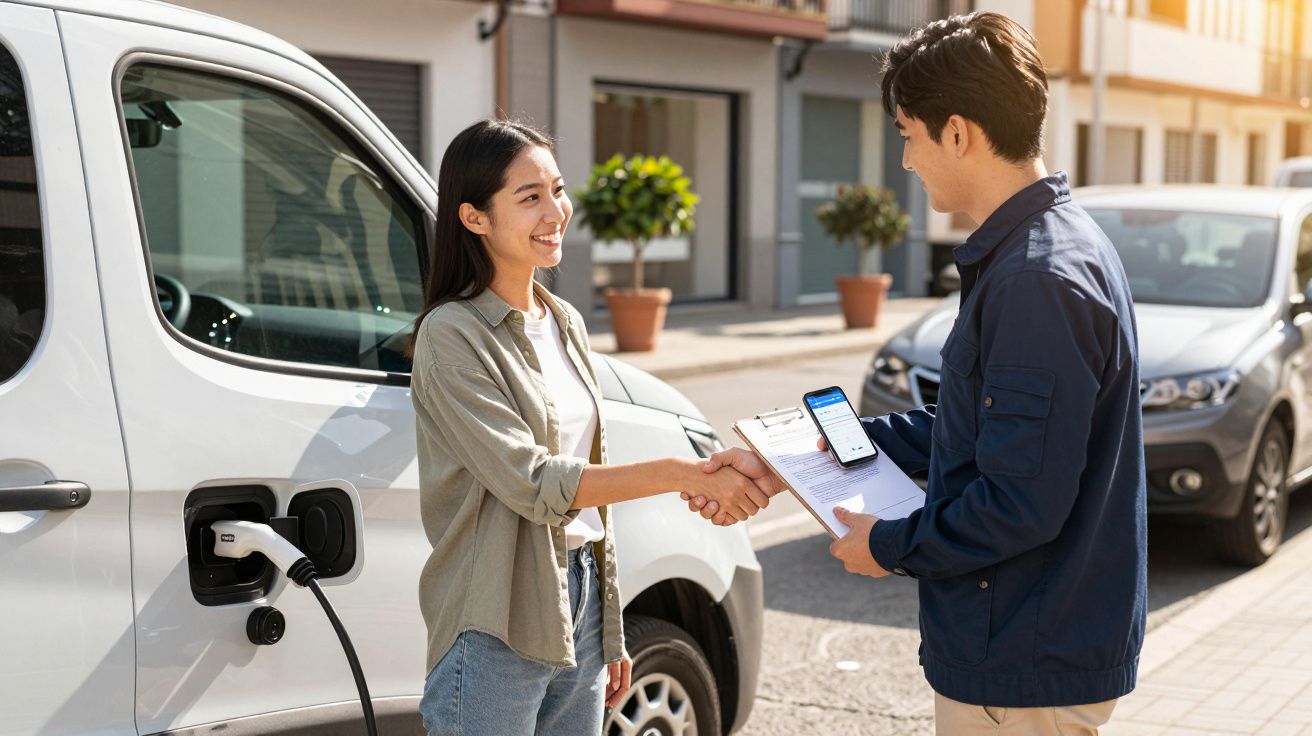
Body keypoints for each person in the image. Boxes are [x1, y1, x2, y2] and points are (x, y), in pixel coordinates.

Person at [687, 12, 1145, 735]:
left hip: (1022, 659)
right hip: (1030, 647)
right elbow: (978, 431)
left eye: (908, 135)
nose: (906, 160)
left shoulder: (1035, 278)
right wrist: (802, 453)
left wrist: (888, 546)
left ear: (957, 131)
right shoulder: (1052, 245)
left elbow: (1017, 503)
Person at [408, 119, 768, 736]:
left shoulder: (563, 318)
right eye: (530, 198)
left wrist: (609, 624)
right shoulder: (452, 336)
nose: (556, 211)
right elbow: (534, 482)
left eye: (557, 189)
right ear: (474, 218)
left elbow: (591, 491)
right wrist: (682, 473)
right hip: (496, 612)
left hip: (579, 600)